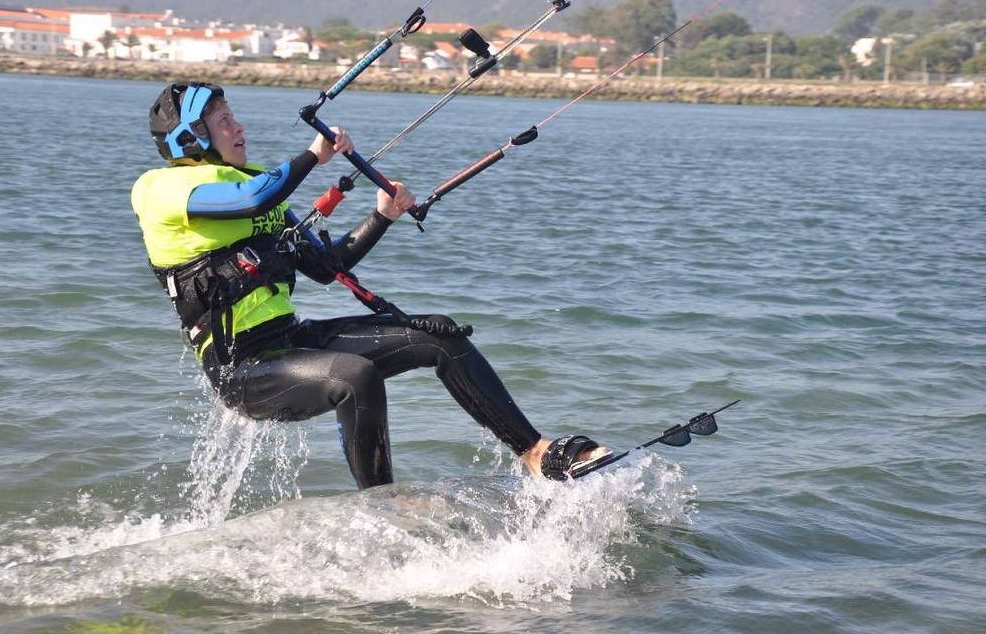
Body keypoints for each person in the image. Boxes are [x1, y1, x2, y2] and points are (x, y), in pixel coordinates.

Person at [131, 82, 622, 489]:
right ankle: (382, 505)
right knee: (354, 375)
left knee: (441, 339)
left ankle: (534, 452)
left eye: (234, 116)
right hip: (242, 367)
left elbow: (327, 267)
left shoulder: (259, 186)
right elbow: (253, 199)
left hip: (291, 341)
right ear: (190, 139)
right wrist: (312, 157)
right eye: (223, 122)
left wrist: (381, 216)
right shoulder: (162, 189)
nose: (239, 127)